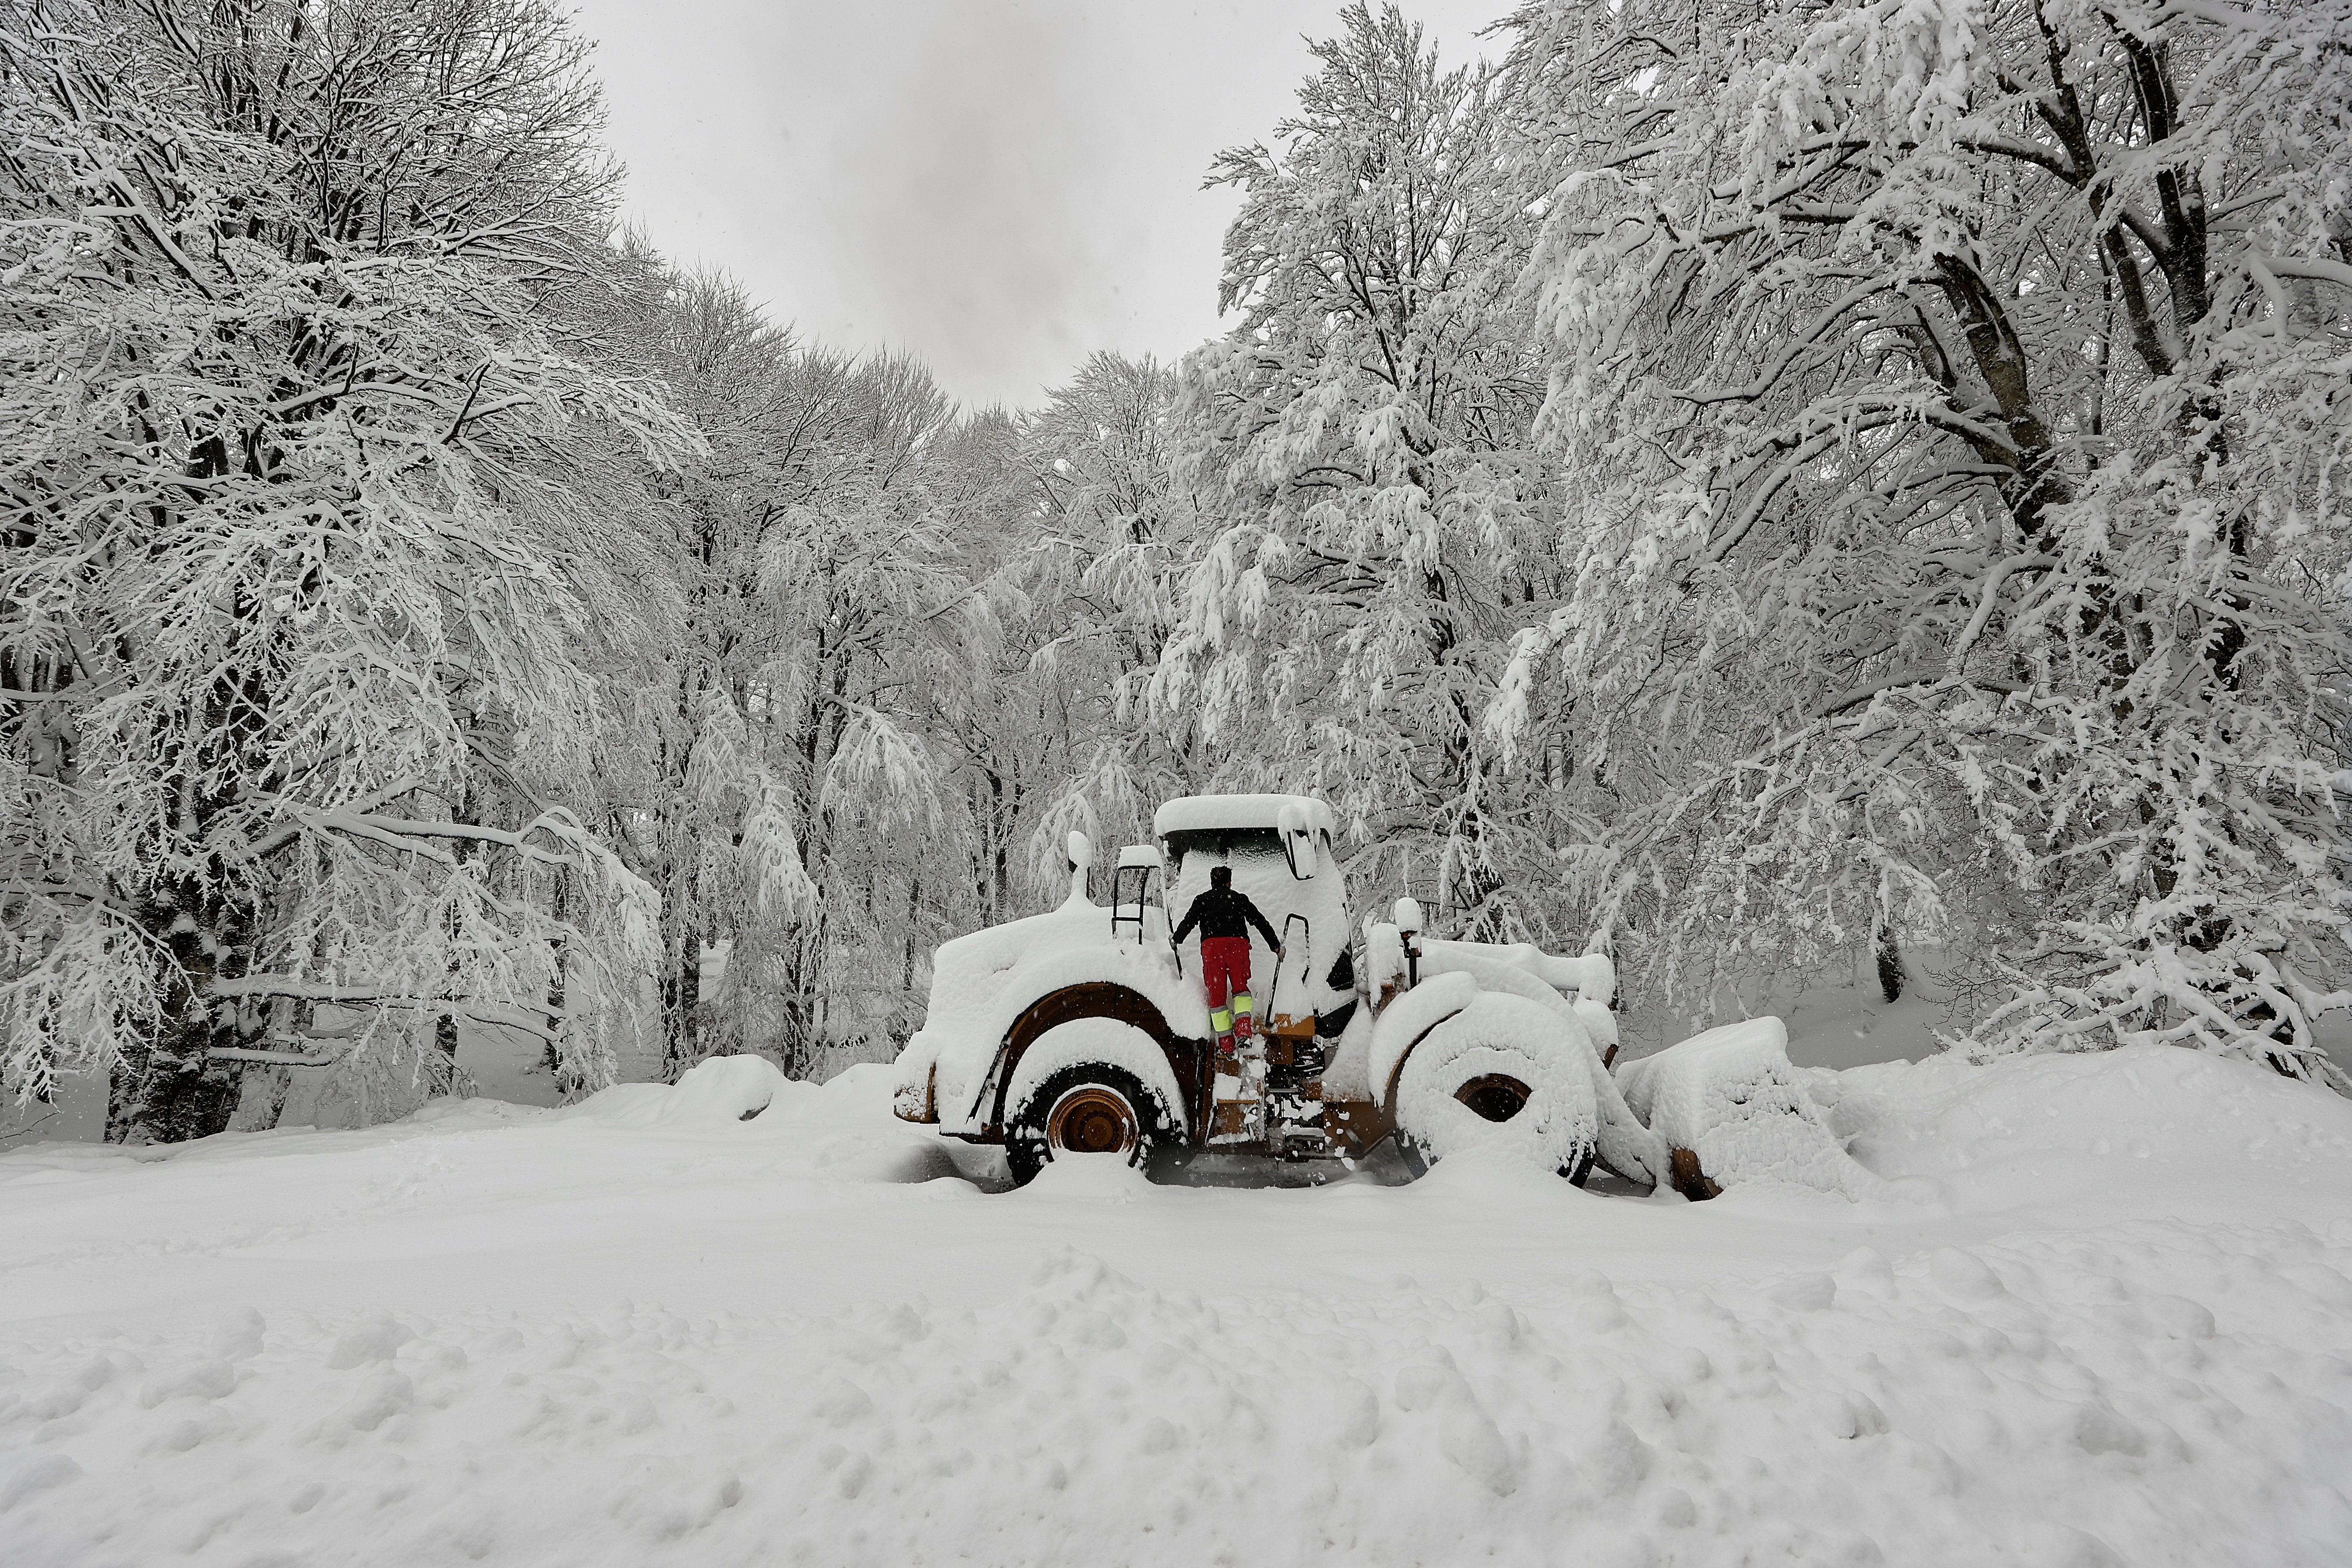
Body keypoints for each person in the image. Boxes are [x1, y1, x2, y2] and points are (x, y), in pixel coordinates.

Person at [1171, 865, 1283, 1052]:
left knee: (1217, 997)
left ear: (1212, 883)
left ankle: (1227, 1045)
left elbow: (1188, 922)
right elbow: (1260, 921)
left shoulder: (1202, 900)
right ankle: (1244, 1031)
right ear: (1229, 883)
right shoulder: (1239, 899)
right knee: (1241, 989)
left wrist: (1176, 939)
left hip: (1212, 949)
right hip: (1237, 948)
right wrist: (1276, 946)